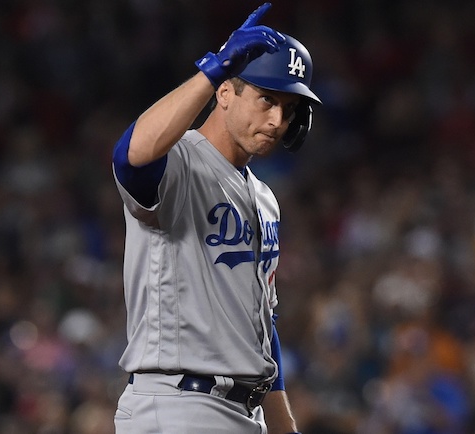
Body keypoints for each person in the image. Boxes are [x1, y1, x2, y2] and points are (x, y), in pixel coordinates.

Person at [111, 3, 321, 433]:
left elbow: (260, 325)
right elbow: (131, 158)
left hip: (247, 411)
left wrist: (284, 428)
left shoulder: (264, 198)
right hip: (179, 406)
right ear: (225, 93)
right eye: (266, 98)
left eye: (289, 107)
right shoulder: (180, 161)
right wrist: (213, 69)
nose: (278, 120)